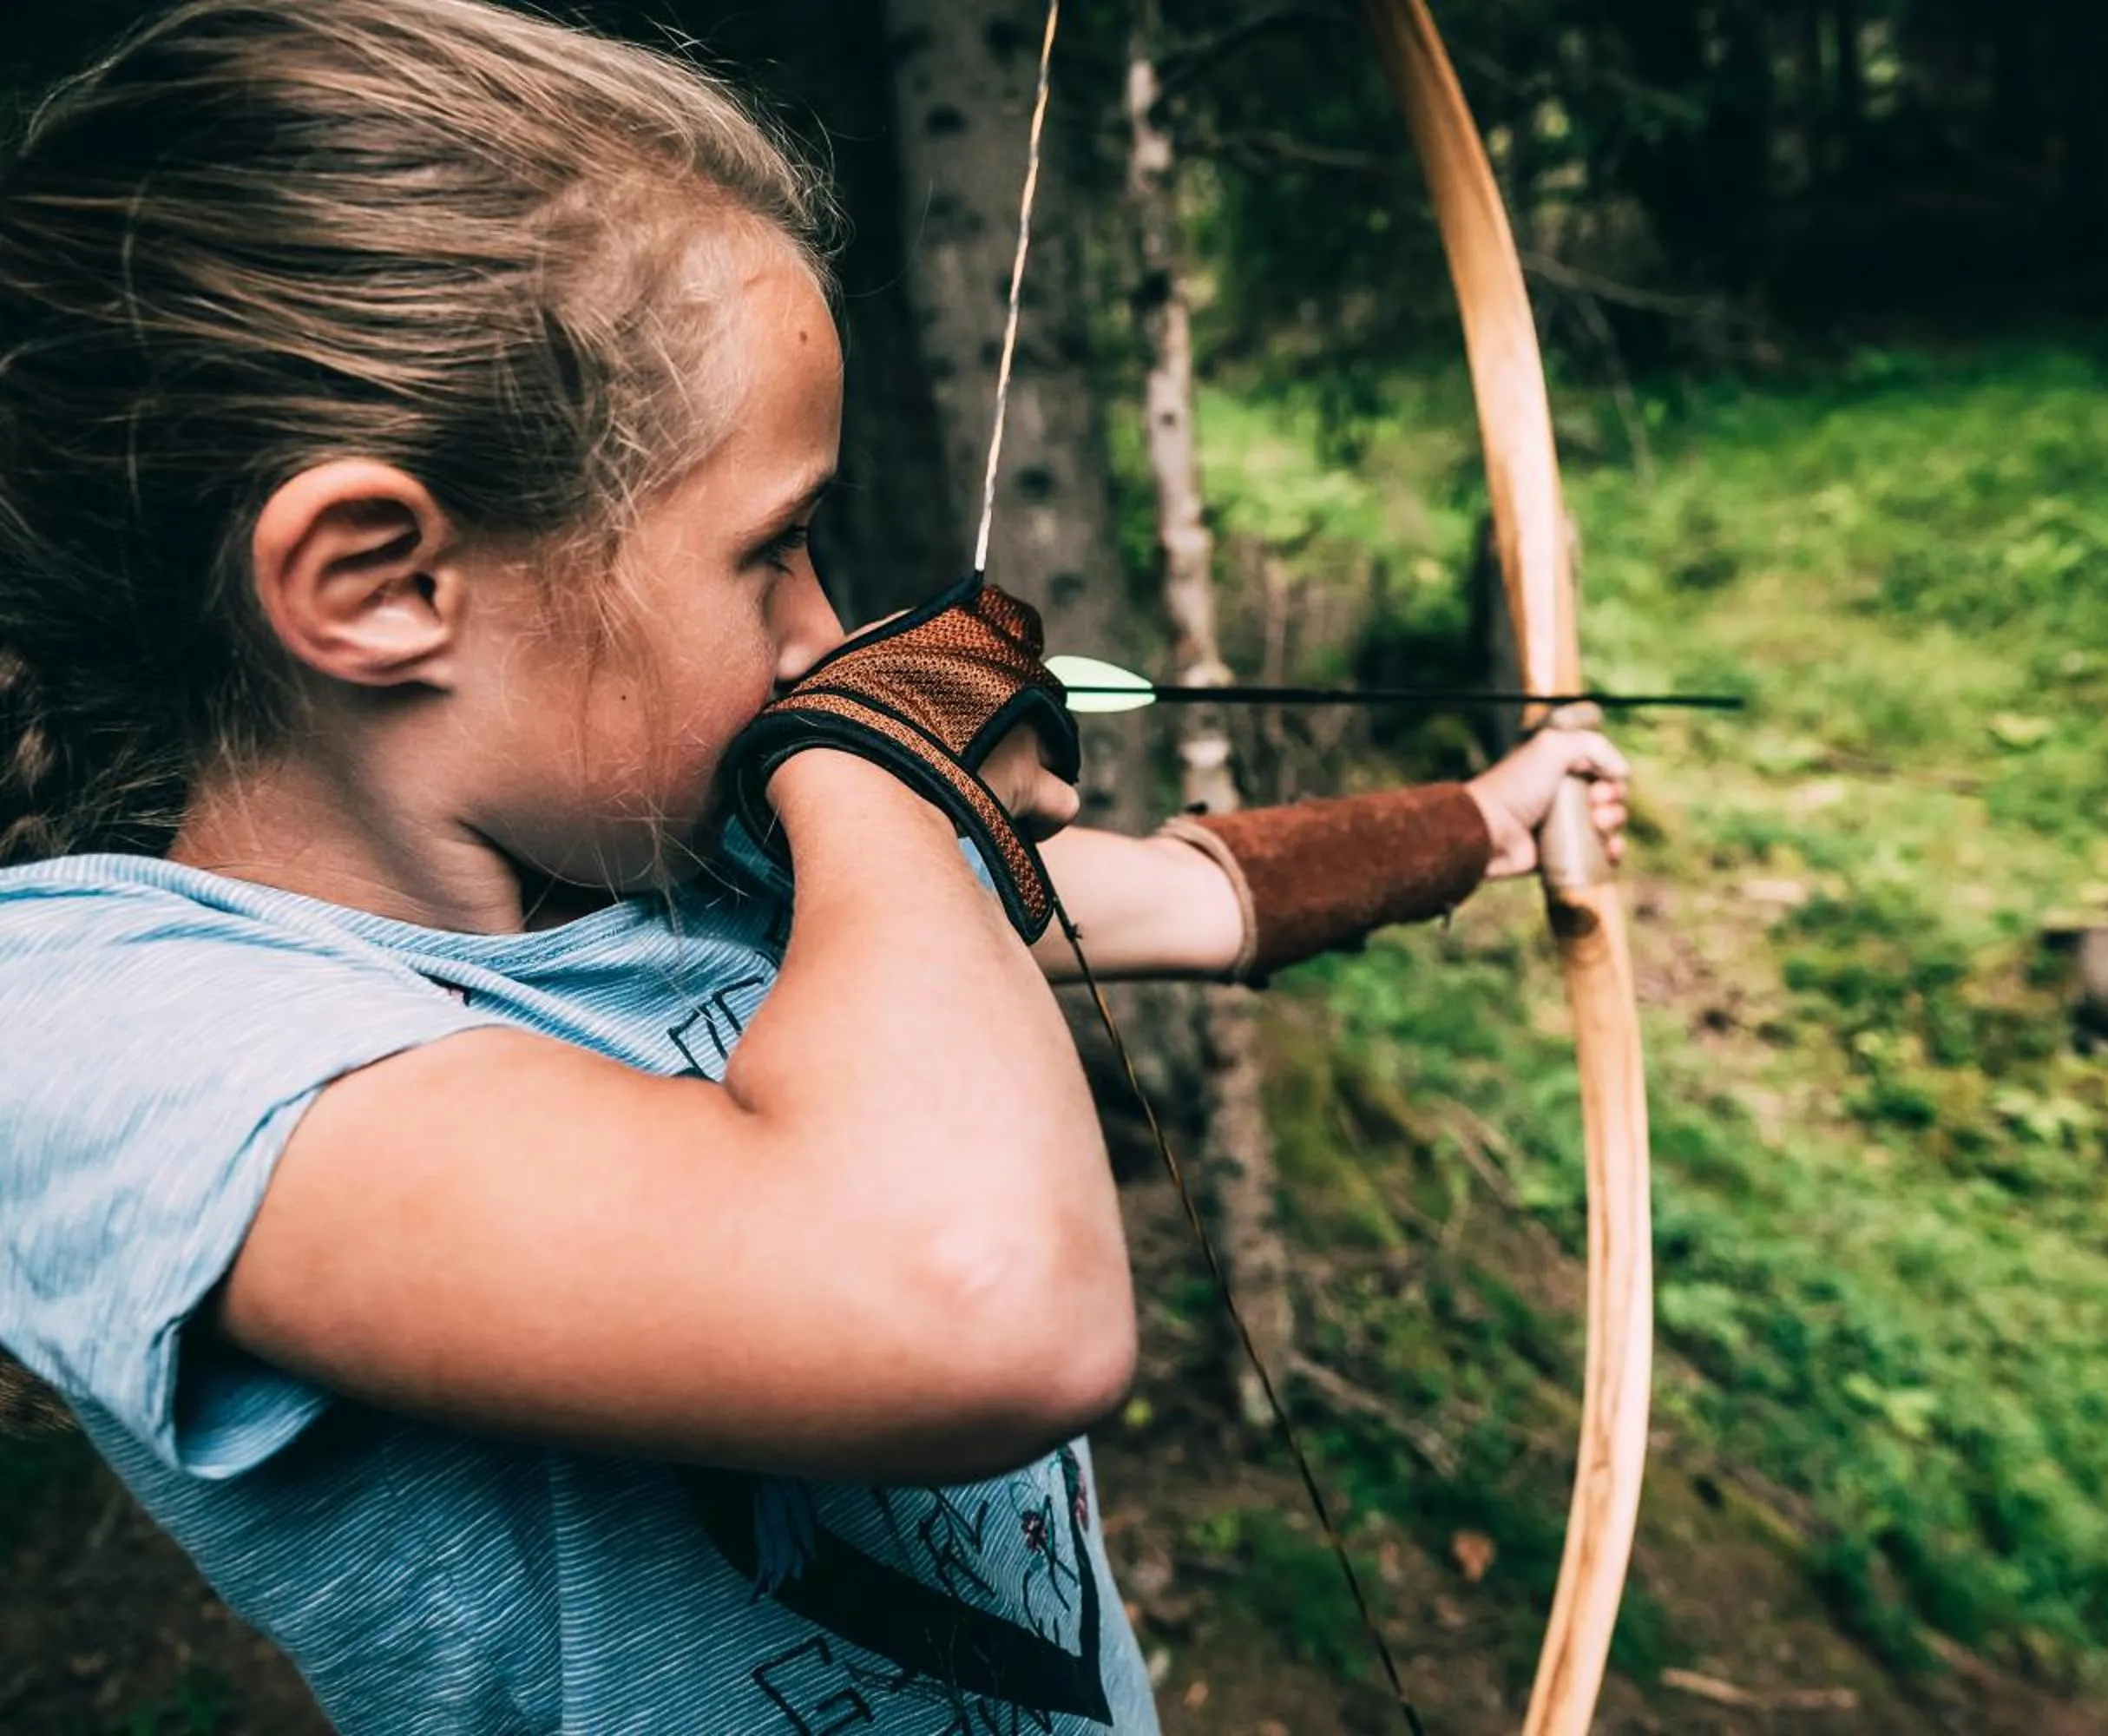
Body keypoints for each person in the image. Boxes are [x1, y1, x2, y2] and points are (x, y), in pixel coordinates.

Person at [0, 2, 1632, 1731]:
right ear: (383, 584)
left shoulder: (663, 859)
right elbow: (986, 1304)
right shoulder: (112, 1045)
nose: (828, 631)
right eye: (772, 549)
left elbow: (1189, 894)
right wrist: (880, 762)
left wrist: (1490, 814)